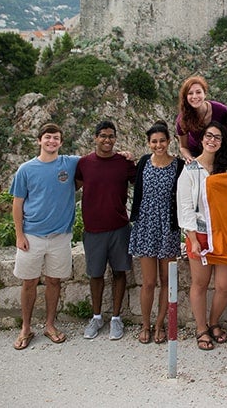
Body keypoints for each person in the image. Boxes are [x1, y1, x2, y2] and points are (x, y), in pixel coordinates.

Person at [10, 123, 79, 350]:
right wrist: (19, 235)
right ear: (39, 140)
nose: (52, 141)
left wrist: (124, 155)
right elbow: (17, 205)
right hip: (32, 236)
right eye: (48, 137)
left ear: (61, 142)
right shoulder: (26, 170)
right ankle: (26, 328)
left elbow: (97, 159)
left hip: (60, 236)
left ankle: (50, 325)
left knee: (54, 281)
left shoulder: (69, 163)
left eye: (56, 138)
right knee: (29, 282)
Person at [177, 121, 227, 350]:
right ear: (202, 140)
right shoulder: (190, 169)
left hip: (224, 234)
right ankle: (201, 328)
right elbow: (185, 207)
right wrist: (192, 239)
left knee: (224, 286)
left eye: (217, 138)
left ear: (222, 143)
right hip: (199, 234)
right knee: (200, 284)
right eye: (209, 136)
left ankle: (214, 322)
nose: (212, 140)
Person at [75, 121, 137, 341]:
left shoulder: (124, 163)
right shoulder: (84, 163)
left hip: (119, 227)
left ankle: (116, 318)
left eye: (111, 136)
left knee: (120, 272)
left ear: (116, 138)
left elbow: (139, 182)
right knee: (95, 274)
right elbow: (72, 187)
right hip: (93, 229)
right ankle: (96, 316)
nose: (107, 140)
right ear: (95, 138)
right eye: (103, 136)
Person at [129, 120, 185, 344]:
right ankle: (145, 324)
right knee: (149, 282)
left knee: (166, 280)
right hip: (145, 225)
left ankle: (160, 324)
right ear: (148, 143)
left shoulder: (178, 165)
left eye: (162, 140)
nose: (158, 145)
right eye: (154, 141)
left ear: (169, 141)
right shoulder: (143, 162)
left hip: (168, 228)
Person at [175, 75, 227, 163]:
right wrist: (190, 158)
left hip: (219, 153)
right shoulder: (182, 119)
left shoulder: (221, 110)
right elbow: (183, 147)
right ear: (186, 97)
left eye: (198, 92)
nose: (195, 96)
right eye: (190, 93)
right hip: (196, 155)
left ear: (205, 94)